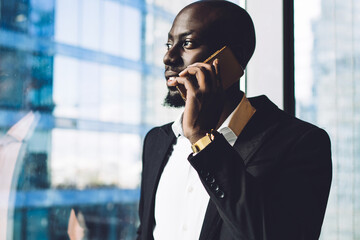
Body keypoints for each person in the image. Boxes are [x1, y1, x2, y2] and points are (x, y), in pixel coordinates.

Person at [137, 1, 332, 239]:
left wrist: (203, 139)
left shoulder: (301, 143)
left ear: (232, 57)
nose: (168, 56)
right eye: (169, 44)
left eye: (187, 43)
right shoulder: (156, 141)